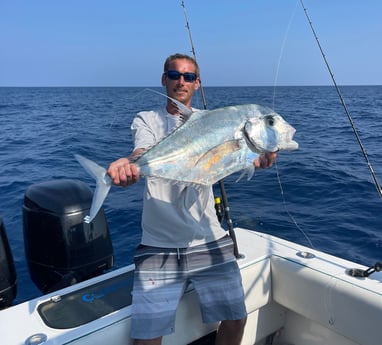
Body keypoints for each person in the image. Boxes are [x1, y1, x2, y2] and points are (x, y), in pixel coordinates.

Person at [107, 53, 277, 345]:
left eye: (188, 76)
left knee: (237, 317)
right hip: (158, 243)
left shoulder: (212, 122)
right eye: (174, 75)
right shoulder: (147, 119)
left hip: (209, 238)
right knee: (146, 336)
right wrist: (130, 164)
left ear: (197, 83)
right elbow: (141, 151)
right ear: (164, 79)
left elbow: (229, 158)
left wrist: (254, 160)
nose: (180, 81)